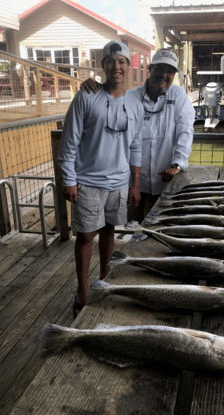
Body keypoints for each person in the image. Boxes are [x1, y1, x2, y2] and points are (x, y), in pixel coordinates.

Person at [58, 40, 143, 317]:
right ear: (102, 65)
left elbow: (135, 146)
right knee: (84, 236)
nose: (116, 66)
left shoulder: (135, 104)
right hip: (88, 182)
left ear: (129, 67)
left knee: (109, 231)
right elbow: (69, 143)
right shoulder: (86, 97)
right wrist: (68, 179)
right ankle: (83, 292)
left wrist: (135, 184)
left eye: (122, 61)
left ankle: (104, 281)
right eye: (111, 61)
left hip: (118, 183)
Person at [81, 48, 195, 223]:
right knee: (130, 229)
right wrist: (94, 87)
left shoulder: (178, 95)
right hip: (131, 183)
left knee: (158, 231)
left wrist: (177, 164)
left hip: (163, 182)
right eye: (160, 69)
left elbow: (185, 131)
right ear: (150, 69)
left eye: (170, 71)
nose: (164, 75)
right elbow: (107, 112)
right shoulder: (131, 97)